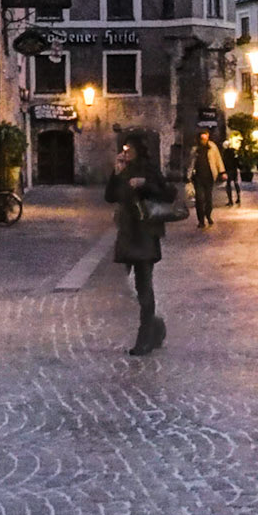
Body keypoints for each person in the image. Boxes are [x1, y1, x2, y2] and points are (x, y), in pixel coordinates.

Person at [105, 134, 173, 355]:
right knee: (132, 287)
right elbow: (110, 196)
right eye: (124, 148)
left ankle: (145, 337)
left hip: (144, 234)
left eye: (129, 148)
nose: (126, 152)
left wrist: (145, 184)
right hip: (127, 234)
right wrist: (116, 172)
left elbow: (168, 193)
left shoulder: (148, 169)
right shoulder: (124, 169)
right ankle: (156, 327)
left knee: (144, 286)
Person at [190, 131, 226, 228]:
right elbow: (190, 163)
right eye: (202, 139)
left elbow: (218, 159)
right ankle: (201, 220)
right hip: (198, 177)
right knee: (199, 199)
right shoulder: (195, 149)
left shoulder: (212, 147)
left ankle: (208, 215)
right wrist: (188, 176)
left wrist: (222, 171)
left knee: (208, 198)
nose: (204, 141)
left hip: (209, 176)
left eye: (206, 138)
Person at [222, 137, 243, 207]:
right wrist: (239, 167)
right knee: (236, 183)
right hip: (234, 170)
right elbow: (236, 161)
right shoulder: (233, 152)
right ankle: (238, 198)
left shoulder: (225, 153)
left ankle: (230, 200)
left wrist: (223, 171)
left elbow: (224, 162)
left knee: (228, 185)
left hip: (228, 170)